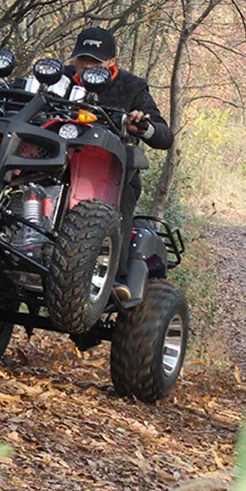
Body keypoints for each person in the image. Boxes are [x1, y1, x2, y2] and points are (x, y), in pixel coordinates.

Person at [65, 26, 172, 301]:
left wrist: (142, 126)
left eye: (96, 61)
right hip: (61, 160)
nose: (88, 67)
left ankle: (115, 279)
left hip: (111, 170)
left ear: (112, 61)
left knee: (122, 190)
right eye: (83, 59)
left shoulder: (131, 87)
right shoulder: (60, 78)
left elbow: (164, 135)